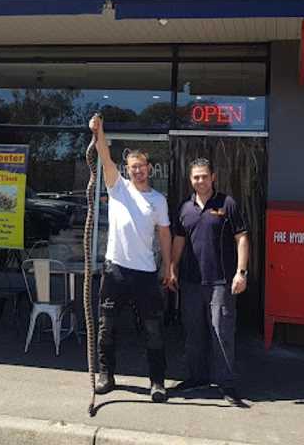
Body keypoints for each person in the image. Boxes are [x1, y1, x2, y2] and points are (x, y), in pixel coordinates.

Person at [88, 114, 173, 403]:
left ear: (149, 169)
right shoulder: (117, 187)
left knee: (152, 330)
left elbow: (164, 236)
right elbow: (103, 153)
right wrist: (99, 129)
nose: (138, 171)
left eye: (142, 167)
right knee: (106, 325)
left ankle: (158, 382)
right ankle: (106, 375)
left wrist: (168, 266)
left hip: (146, 273)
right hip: (116, 271)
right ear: (127, 170)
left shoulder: (158, 201)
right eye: (133, 167)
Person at [170, 158, 249, 406]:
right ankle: (197, 377)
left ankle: (226, 384)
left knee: (221, 333)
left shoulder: (227, 204)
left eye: (204, 176)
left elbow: (242, 238)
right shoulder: (185, 207)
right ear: (190, 180)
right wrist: (171, 268)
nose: (200, 181)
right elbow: (178, 241)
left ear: (213, 177)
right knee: (193, 333)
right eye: (196, 177)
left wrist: (241, 272)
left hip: (220, 282)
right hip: (191, 282)